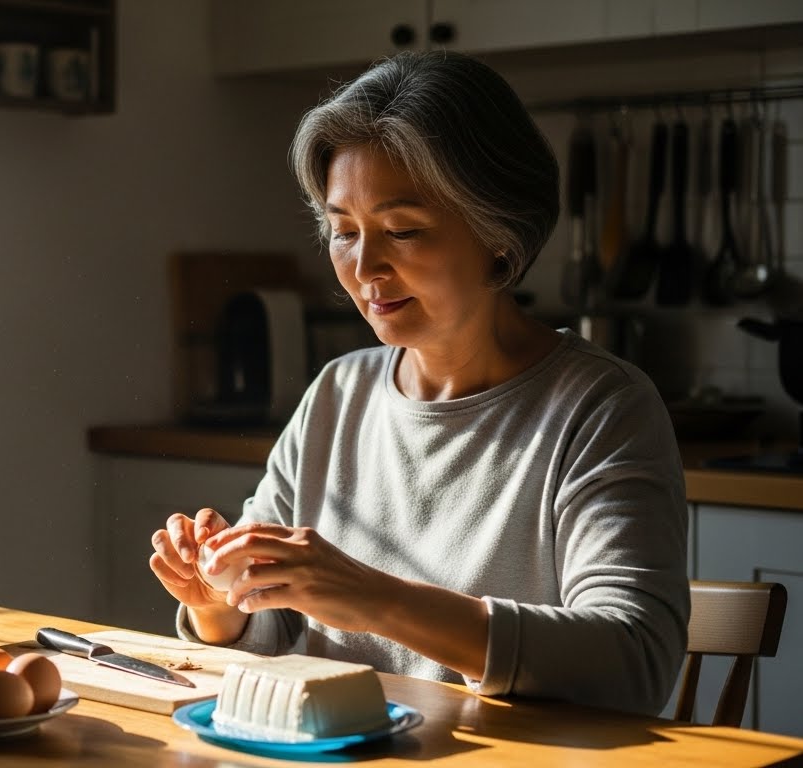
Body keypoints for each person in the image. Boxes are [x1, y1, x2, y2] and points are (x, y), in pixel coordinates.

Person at [148, 50, 688, 717]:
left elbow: (633, 662)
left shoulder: (600, 408)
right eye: (343, 231)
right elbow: (270, 625)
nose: (364, 267)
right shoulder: (337, 395)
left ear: (499, 235)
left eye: (402, 230)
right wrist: (217, 603)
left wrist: (375, 599)